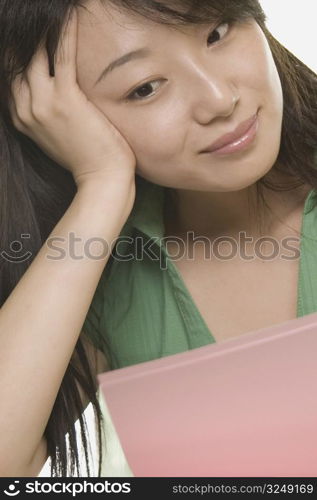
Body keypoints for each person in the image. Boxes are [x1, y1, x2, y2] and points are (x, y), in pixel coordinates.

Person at [0, 0, 316, 478]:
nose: (218, 99)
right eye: (144, 87)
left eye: (217, 33)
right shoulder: (103, 275)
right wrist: (101, 184)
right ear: (64, 121)